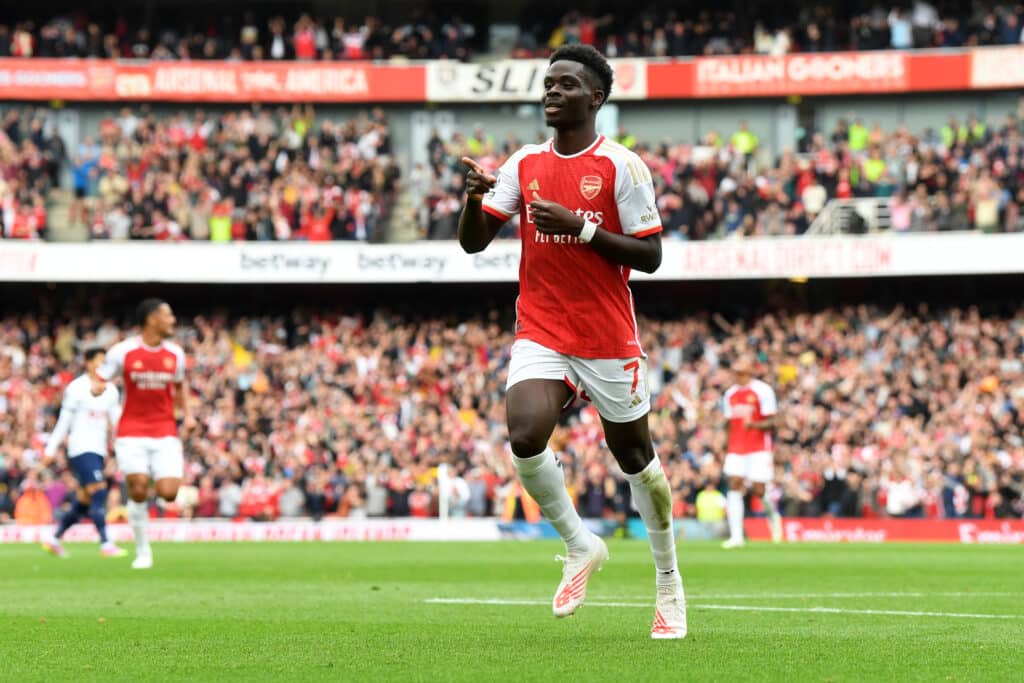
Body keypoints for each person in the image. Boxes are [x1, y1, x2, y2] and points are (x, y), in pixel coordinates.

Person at [457, 44, 686, 639]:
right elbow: (475, 243)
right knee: (525, 434)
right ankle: (581, 544)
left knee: (636, 460)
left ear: (595, 98)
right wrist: (473, 199)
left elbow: (653, 256)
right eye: (547, 83)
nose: (551, 92)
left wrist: (581, 227)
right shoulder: (524, 162)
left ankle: (668, 583)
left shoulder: (622, 167)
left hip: (607, 337)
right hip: (542, 328)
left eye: (565, 84)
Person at [96, 299, 195, 569]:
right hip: (132, 430)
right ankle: (143, 550)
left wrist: (188, 415)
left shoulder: (175, 354)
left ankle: (151, 478)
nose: (172, 320)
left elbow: (180, 384)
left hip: (165, 430)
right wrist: (97, 388)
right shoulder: (123, 351)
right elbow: (101, 376)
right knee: (138, 487)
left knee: (169, 493)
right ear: (152, 319)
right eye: (168, 315)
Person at [41, 348, 127, 558]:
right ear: (88, 363)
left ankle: (54, 538)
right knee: (99, 491)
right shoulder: (76, 388)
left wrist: (124, 445)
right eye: (98, 361)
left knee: (85, 500)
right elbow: (64, 422)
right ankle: (106, 543)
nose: (102, 366)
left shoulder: (111, 391)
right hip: (80, 448)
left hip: (98, 451)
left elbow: (117, 423)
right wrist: (51, 449)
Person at [721, 357, 781, 548]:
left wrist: (754, 424)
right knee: (734, 484)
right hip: (736, 448)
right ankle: (736, 536)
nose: (737, 376)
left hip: (758, 448)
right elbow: (728, 422)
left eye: (740, 372)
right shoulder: (729, 394)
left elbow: (773, 421)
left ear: (749, 372)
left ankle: (773, 516)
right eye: (735, 372)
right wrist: (725, 445)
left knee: (758, 489)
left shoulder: (763, 391)